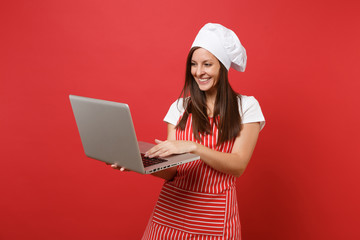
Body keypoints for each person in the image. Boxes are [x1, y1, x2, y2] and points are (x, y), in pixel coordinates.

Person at [113, 23, 265, 240]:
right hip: (169, 216)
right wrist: (136, 163)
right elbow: (173, 172)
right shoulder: (179, 108)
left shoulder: (246, 107)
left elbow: (238, 165)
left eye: (207, 64)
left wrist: (194, 147)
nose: (199, 72)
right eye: (193, 64)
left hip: (213, 220)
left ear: (222, 65)